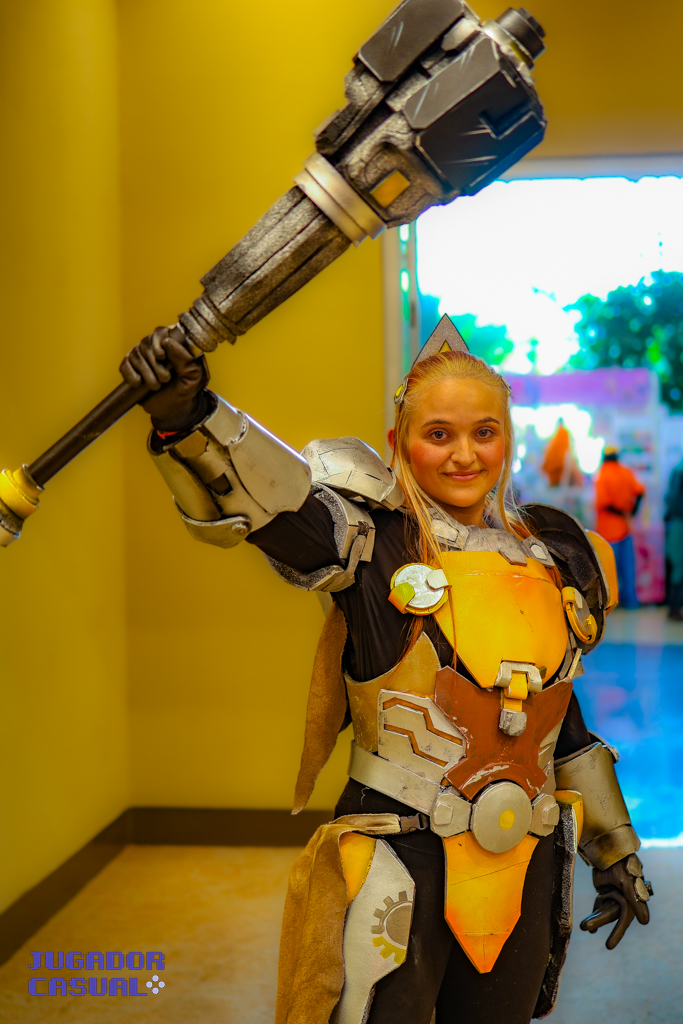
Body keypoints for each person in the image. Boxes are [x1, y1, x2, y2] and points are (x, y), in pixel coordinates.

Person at [120, 316, 652, 1024]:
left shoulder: (549, 556)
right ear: (399, 445)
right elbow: (272, 505)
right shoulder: (370, 544)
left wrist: (614, 851)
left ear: (506, 438)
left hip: (523, 856)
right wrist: (190, 418)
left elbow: (558, 722)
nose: (464, 454)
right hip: (401, 854)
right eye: (438, 434)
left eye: (484, 432)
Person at [595, 447, 645, 611]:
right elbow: (640, 492)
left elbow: (604, 503)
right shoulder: (626, 472)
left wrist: (620, 513)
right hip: (625, 527)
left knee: (609, 569)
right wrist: (631, 512)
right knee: (628, 567)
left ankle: (611, 603)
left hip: (608, 530)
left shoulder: (603, 474)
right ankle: (631, 601)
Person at [665, 456, 683, 621]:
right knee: (678, 567)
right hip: (679, 525)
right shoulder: (679, 472)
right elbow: (675, 502)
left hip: (677, 524)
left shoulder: (677, 470)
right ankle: (675, 607)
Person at [541, 418, 583, 488]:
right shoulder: (567, 453)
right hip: (563, 487)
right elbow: (578, 478)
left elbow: (543, 467)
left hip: (552, 486)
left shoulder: (550, 446)